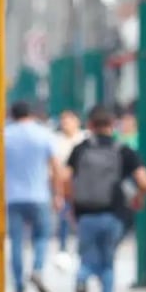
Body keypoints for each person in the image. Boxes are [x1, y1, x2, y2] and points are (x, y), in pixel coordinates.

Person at [63, 105, 146, 292]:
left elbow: (65, 179)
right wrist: (138, 199)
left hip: (86, 214)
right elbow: (145, 182)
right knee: (108, 262)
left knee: (86, 258)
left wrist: (71, 202)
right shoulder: (123, 150)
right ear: (113, 125)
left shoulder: (81, 149)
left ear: (90, 125)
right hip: (114, 214)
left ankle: (82, 279)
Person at [3, 101, 60, 292]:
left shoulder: (5, 136)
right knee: (42, 237)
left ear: (12, 114)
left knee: (17, 242)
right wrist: (58, 194)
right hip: (39, 195)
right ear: (31, 113)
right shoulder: (43, 134)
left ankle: (19, 285)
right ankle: (37, 268)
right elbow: (55, 166)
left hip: (12, 197)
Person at [52, 110, 86, 270]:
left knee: (82, 222)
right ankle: (63, 250)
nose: (66, 125)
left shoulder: (85, 139)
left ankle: (82, 251)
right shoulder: (57, 140)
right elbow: (56, 169)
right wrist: (57, 193)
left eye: (69, 121)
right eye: (63, 122)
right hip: (66, 189)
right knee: (64, 220)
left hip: (83, 189)